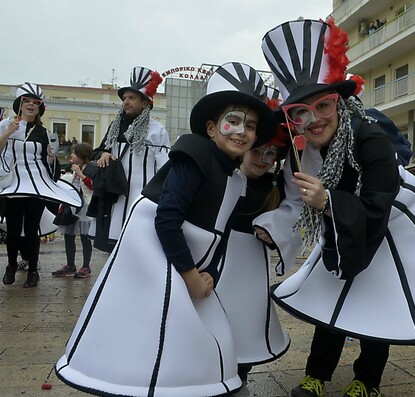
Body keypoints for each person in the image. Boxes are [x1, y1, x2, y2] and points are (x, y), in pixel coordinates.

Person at [257, 18, 415, 397]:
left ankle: (367, 380)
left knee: (380, 300)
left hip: (392, 226)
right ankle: (317, 375)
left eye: (323, 105)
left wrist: (329, 202)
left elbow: (379, 203)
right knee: (332, 299)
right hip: (342, 227)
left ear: (339, 103)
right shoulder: (305, 151)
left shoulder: (371, 137)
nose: (314, 120)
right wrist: (273, 226)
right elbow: (296, 201)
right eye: (301, 113)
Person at [55, 62, 276, 397]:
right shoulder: (194, 155)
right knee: (154, 335)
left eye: (251, 125)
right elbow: (167, 219)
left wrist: (211, 271)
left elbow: (224, 234)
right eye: (233, 120)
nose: (241, 131)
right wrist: (189, 274)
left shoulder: (236, 177)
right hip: (157, 256)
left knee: (200, 336)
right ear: (212, 128)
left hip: (185, 260)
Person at [215, 129, 291, 391]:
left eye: (270, 154)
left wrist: (274, 230)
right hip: (219, 263)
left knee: (247, 320)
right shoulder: (224, 177)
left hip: (253, 266)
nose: (262, 159)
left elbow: (291, 216)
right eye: (257, 151)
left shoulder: (277, 186)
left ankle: (241, 375)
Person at [0, 83, 82, 288]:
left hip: (37, 186)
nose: (30, 105)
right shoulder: (7, 125)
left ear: (39, 107)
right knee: (12, 230)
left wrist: (52, 157)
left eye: (35, 102)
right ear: (19, 104)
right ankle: (10, 265)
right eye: (26, 101)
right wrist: (8, 133)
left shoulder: (44, 133)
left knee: (31, 231)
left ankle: (33, 270)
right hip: (13, 186)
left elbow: (48, 166)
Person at [90, 66, 171, 252]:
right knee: (114, 249)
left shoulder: (157, 130)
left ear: (145, 103)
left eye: (132, 98)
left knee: (141, 248)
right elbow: (99, 151)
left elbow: (165, 169)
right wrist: (103, 154)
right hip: (115, 200)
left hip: (143, 200)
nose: (126, 102)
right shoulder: (115, 126)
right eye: (125, 98)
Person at [51, 143, 95, 278]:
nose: (72, 156)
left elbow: (92, 185)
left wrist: (80, 173)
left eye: (74, 154)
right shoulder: (73, 168)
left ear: (82, 156)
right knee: (69, 236)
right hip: (72, 205)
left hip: (85, 206)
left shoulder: (91, 168)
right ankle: (70, 265)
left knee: (84, 237)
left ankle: (86, 266)